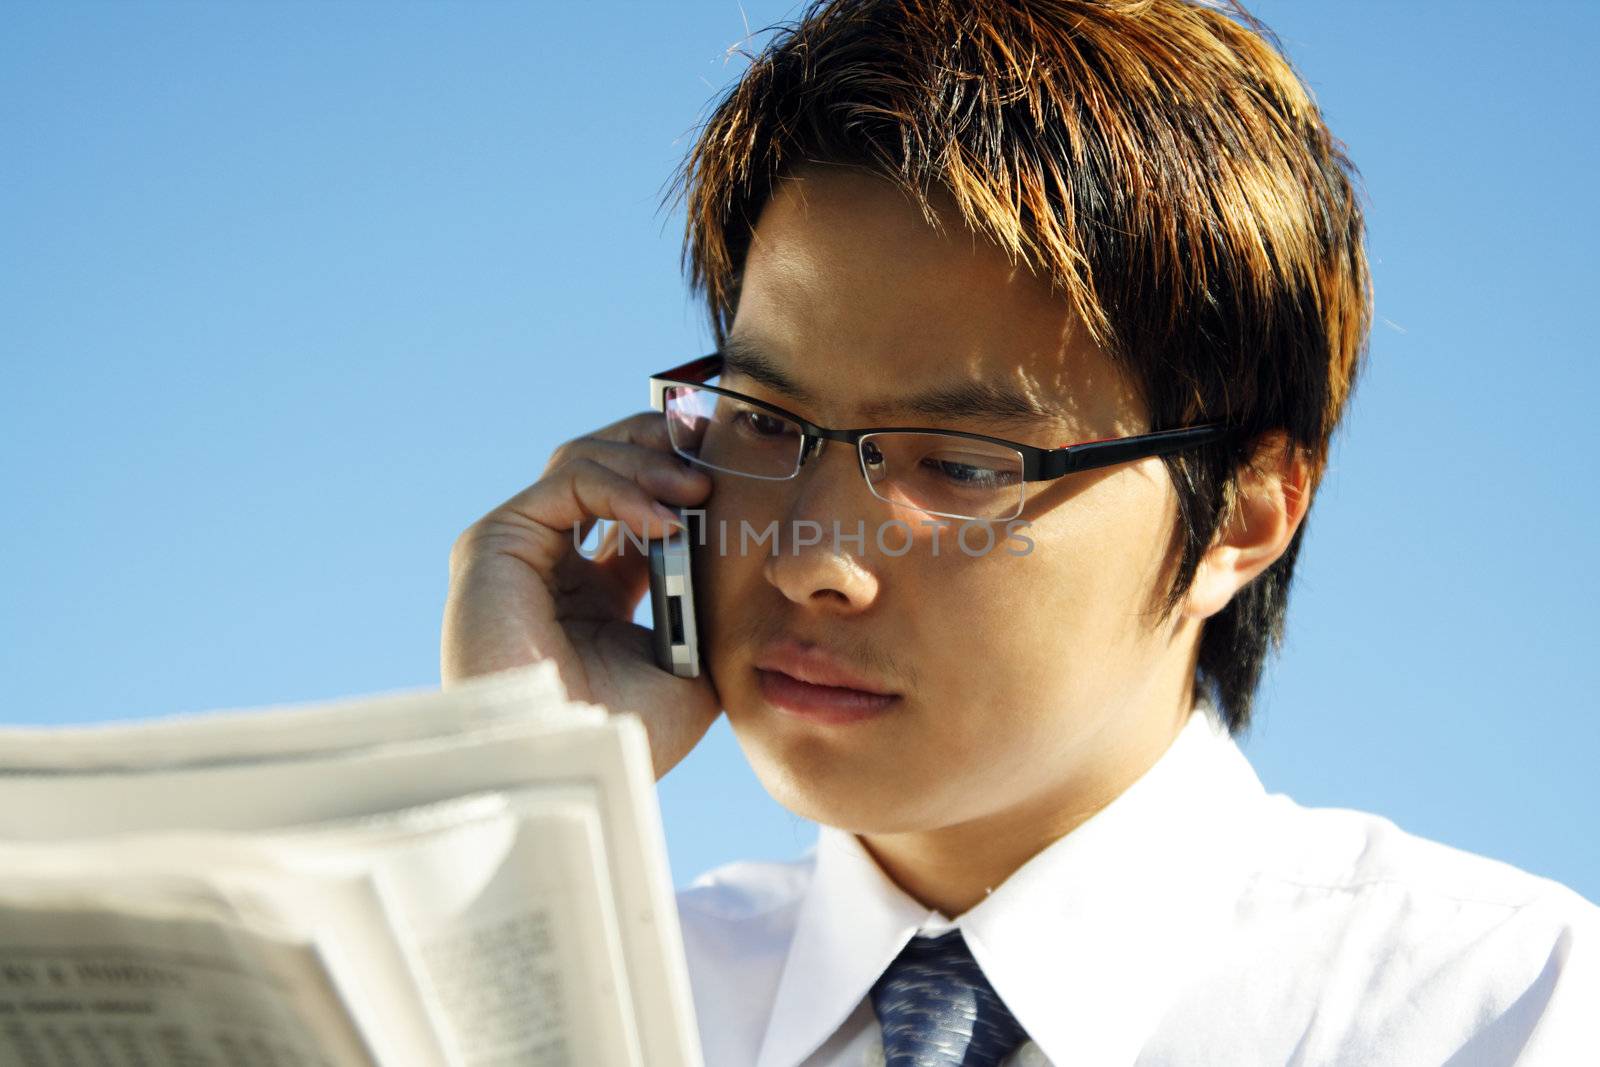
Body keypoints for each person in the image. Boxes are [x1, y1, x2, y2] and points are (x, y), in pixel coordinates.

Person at [442, 1, 1599, 1063]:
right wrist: (515, 794)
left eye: (957, 463)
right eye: (760, 419)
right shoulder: (570, 1009)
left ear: (1242, 518)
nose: (809, 559)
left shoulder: (1498, 1009)